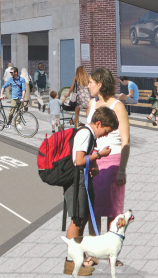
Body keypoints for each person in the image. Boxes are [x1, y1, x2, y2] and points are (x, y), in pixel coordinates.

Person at [64, 105, 117, 276]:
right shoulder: (86, 133)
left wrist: (93, 166)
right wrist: (100, 155)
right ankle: (71, 262)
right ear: (99, 123)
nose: (106, 134)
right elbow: (78, 160)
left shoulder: (90, 135)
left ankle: (76, 260)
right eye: (107, 131)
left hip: (83, 181)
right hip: (77, 182)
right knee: (77, 221)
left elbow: (84, 159)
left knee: (82, 218)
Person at [84, 67, 131, 264]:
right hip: (93, 160)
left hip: (112, 162)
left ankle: (112, 254)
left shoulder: (117, 106)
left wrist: (122, 169)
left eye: (91, 82)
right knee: (92, 207)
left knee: (113, 209)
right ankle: (94, 253)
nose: (88, 85)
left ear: (100, 84)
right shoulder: (91, 104)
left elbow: (126, 140)